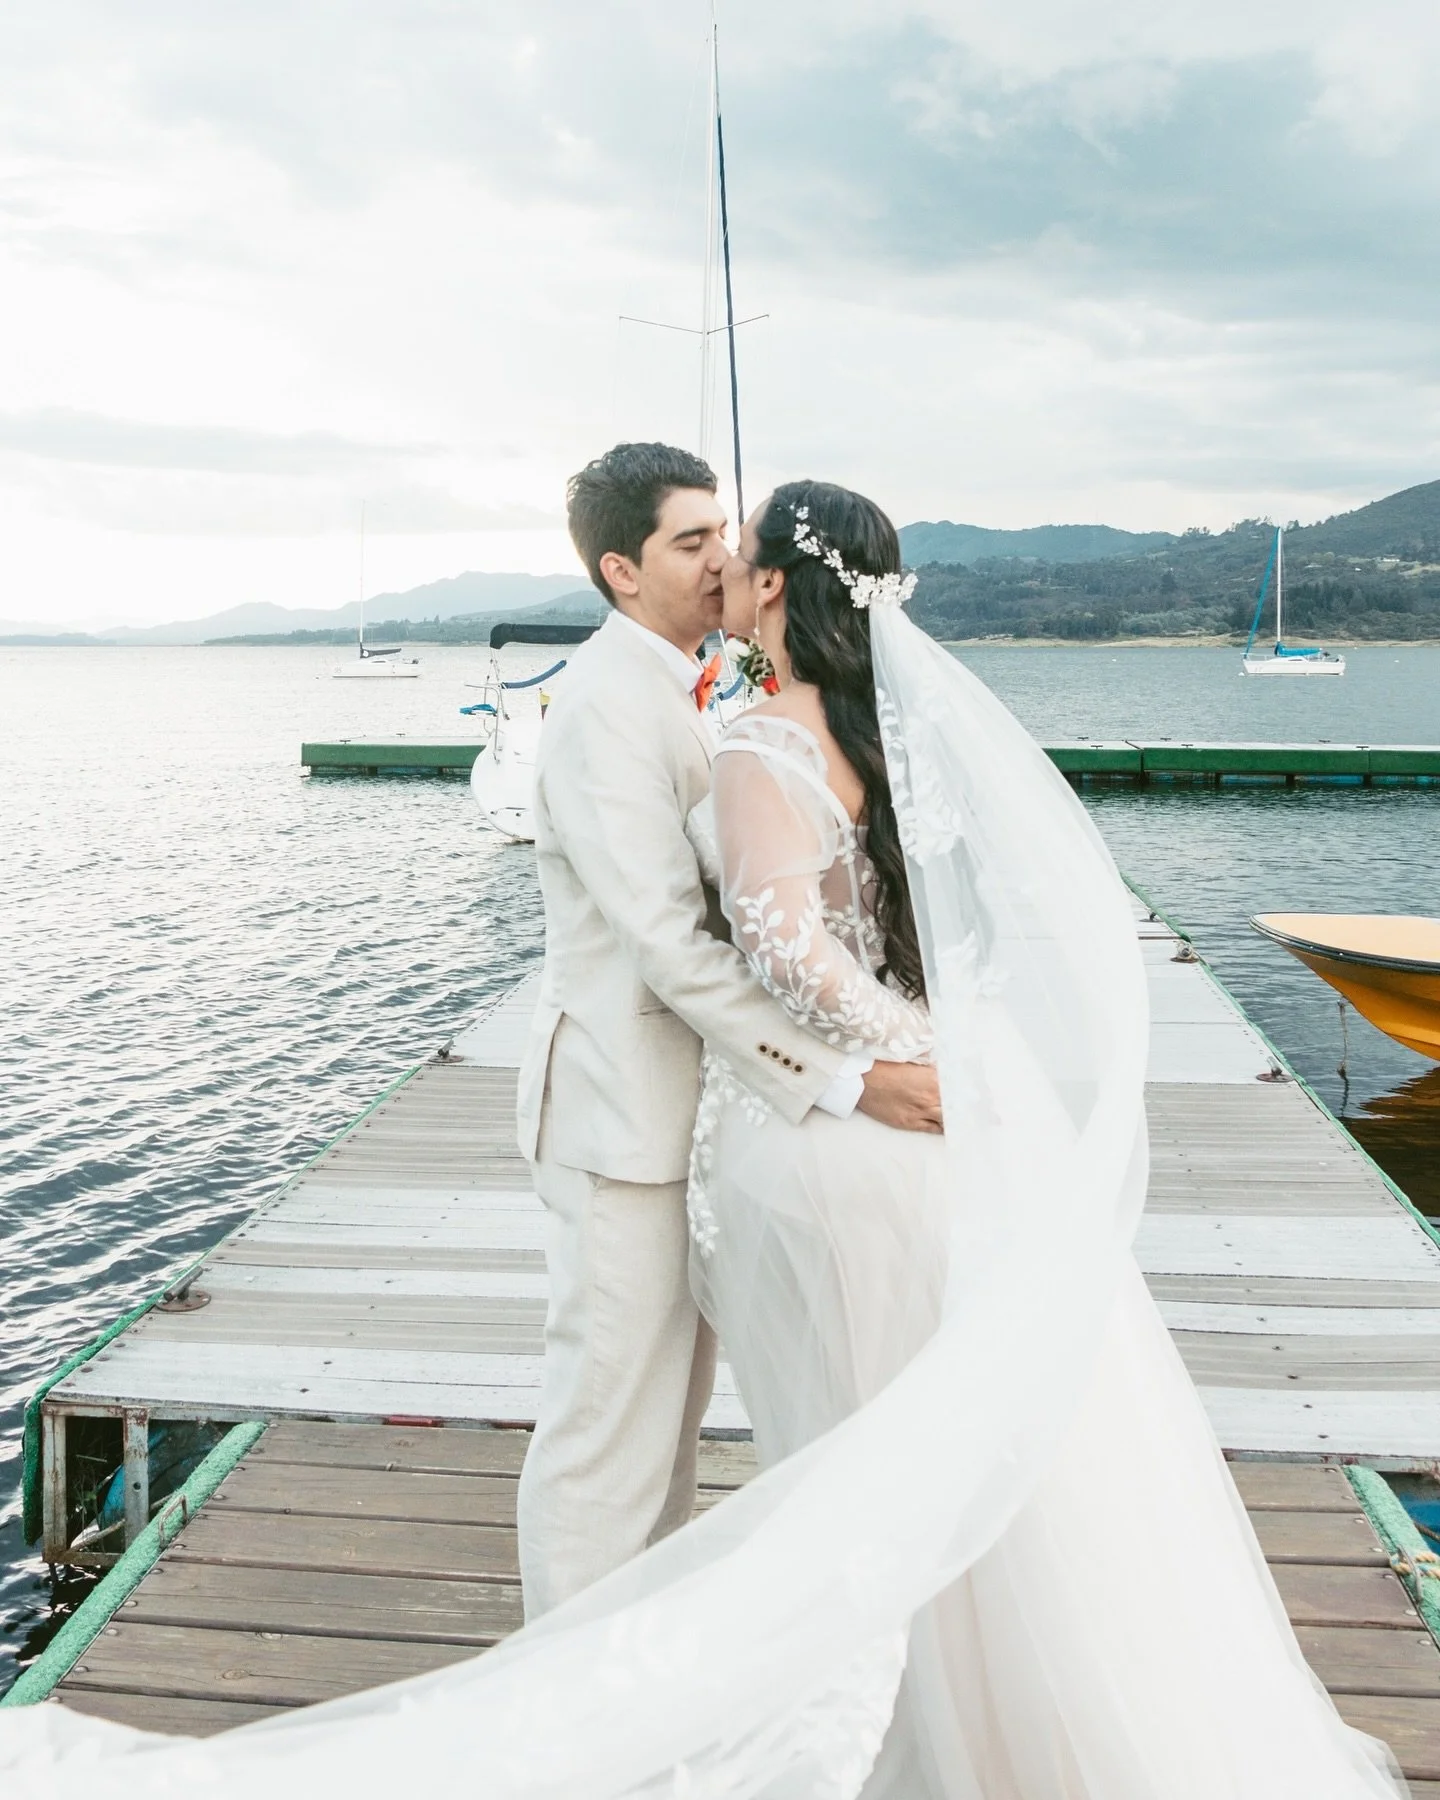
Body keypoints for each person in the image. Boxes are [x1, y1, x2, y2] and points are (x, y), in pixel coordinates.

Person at [513, 443, 942, 1619]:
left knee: (672, 1428)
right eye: (691, 541)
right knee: (609, 1431)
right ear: (619, 569)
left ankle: (633, 1673)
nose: (723, 560)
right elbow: (670, 942)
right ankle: (568, 1709)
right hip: (619, 1114)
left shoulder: (706, 681)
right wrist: (852, 1078)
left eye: (725, 535)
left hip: (702, 1114)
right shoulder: (604, 707)